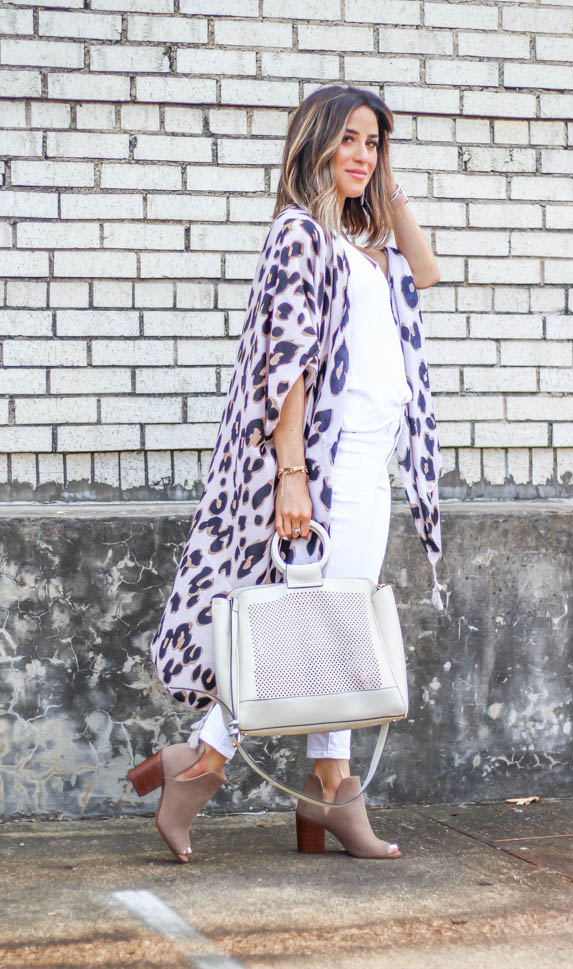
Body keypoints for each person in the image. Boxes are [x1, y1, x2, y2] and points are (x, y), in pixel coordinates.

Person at [128, 84, 443, 863]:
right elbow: (287, 365)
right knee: (307, 628)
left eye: (373, 142)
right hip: (325, 463)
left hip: (373, 464)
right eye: (349, 141)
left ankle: (317, 787)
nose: (362, 155)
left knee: (339, 629)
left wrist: (387, 185)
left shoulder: (368, 249)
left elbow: (427, 272)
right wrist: (291, 473)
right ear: (315, 145)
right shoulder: (299, 235)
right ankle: (209, 768)